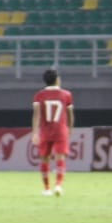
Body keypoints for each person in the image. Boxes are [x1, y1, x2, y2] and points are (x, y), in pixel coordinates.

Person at [32, 68, 75, 197]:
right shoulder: (66, 94)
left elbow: (36, 115)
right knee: (60, 157)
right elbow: (70, 115)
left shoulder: (39, 95)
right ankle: (58, 185)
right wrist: (70, 128)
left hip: (45, 131)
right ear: (57, 79)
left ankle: (46, 188)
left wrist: (35, 132)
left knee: (44, 159)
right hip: (60, 130)